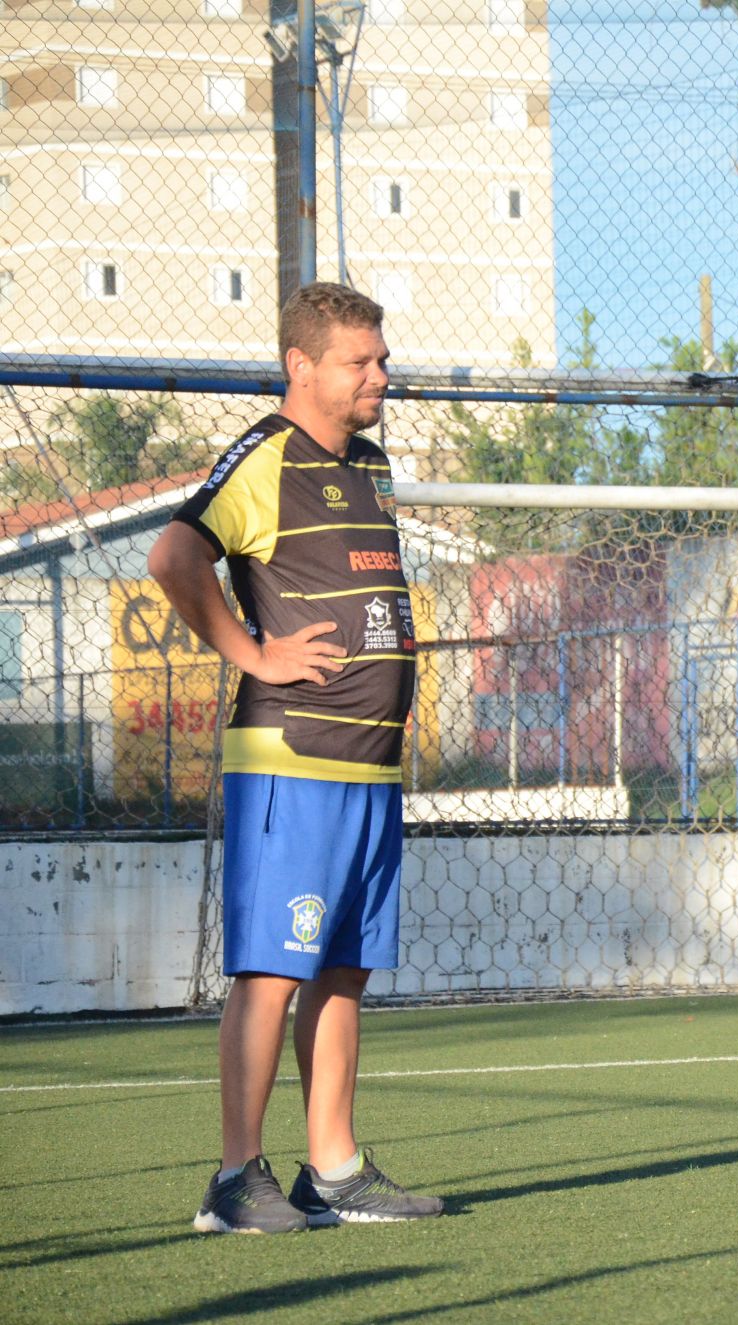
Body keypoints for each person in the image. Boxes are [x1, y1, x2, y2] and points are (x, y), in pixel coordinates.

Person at [151, 282, 443, 1231]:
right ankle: (236, 1179)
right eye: (361, 362)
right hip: (293, 759)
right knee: (272, 969)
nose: (380, 376)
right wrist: (252, 652)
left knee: (344, 966)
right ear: (302, 366)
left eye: (382, 358)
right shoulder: (261, 459)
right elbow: (173, 557)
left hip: (369, 764)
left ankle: (336, 1170)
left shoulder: (373, 463)